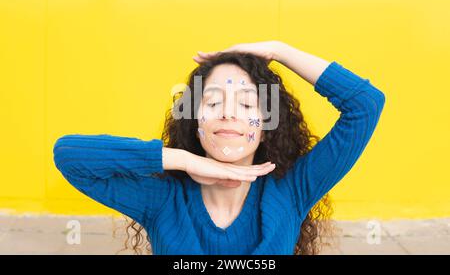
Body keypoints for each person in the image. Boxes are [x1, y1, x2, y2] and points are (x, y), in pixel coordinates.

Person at [53, 41, 385, 255]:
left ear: (268, 127)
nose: (227, 112)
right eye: (212, 102)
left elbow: (365, 105)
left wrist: (279, 50)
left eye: (245, 104)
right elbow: (69, 156)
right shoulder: (164, 198)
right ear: (194, 122)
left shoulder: (291, 191)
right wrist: (181, 160)